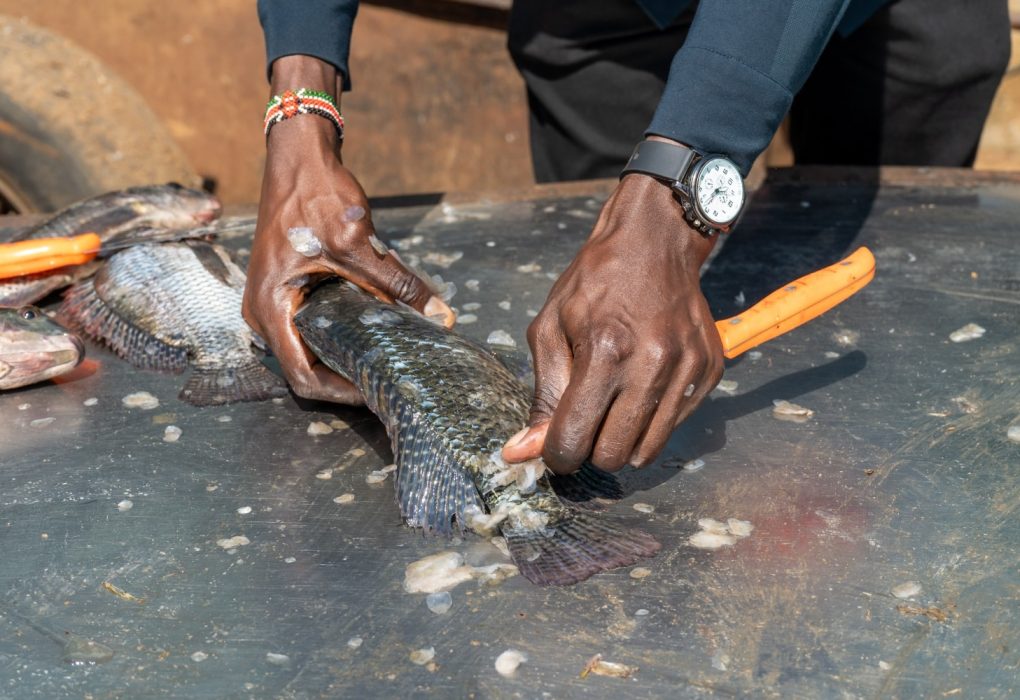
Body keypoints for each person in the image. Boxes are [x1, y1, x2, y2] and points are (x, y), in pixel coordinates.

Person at [244, 0, 1009, 475]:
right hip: (617, 18)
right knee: (609, 386)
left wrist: (669, 200)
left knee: (881, 393)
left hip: (891, 18)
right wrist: (301, 109)